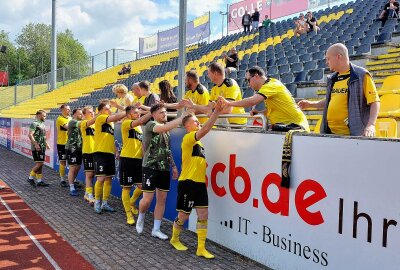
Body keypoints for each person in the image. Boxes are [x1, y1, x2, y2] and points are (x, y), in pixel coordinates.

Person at [169, 103, 223, 259]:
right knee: (183, 215)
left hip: (199, 183)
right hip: (188, 182)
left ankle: (201, 248)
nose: (198, 123)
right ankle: (175, 238)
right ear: (187, 126)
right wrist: (216, 112)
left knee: (203, 214)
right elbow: (205, 129)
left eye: (198, 121)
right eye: (194, 121)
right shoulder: (188, 138)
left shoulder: (199, 143)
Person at [298, 43, 380, 136]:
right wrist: (311, 104)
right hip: (331, 133)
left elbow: (375, 101)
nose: (326, 62)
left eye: (328, 58)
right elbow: (331, 100)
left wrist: (371, 125)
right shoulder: (333, 78)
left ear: (338, 57)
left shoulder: (361, 75)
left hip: (352, 135)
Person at [136, 103, 184, 240]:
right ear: (154, 114)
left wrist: (173, 166)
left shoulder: (166, 130)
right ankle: (141, 217)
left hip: (164, 168)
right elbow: (164, 127)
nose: (165, 115)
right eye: (162, 113)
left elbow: (167, 150)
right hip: (150, 167)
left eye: (165, 112)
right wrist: (181, 118)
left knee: (162, 198)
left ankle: (156, 229)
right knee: (147, 199)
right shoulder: (151, 124)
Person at [218, 66, 310, 131]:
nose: (248, 84)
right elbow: (273, 109)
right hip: (286, 126)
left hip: (295, 126)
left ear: (256, 76)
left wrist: (229, 103)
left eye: (248, 80)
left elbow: (253, 101)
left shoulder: (271, 85)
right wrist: (260, 113)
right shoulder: (268, 87)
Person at [181, 62, 246, 126]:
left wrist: (212, 112)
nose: (208, 76)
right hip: (223, 123)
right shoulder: (214, 88)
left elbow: (227, 110)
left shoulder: (230, 85)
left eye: (209, 73)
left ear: (215, 73)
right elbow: (208, 107)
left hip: (236, 123)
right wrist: (193, 105)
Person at [119, 106, 152, 225]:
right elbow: (142, 120)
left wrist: (144, 158)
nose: (138, 114)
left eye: (138, 113)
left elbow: (141, 145)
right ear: (128, 115)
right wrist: (152, 111)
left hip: (138, 160)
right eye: (135, 113)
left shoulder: (138, 128)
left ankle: (132, 202)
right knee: (126, 188)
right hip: (127, 159)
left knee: (142, 186)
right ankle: (128, 213)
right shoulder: (126, 123)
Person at [93, 100, 126, 214]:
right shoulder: (101, 118)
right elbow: (117, 116)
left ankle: (105, 203)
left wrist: (116, 151)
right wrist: (126, 109)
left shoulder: (110, 123)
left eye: (110, 108)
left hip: (109, 153)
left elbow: (110, 138)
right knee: (101, 179)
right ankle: (97, 202)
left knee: (109, 179)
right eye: (107, 108)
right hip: (100, 152)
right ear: (101, 110)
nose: (109, 110)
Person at [27, 110, 50, 187]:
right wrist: (36, 144)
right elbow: (30, 135)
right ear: (39, 115)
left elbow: (42, 136)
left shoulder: (42, 124)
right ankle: (30, 178)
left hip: (42, 146)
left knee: (40, 164)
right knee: (40, 163)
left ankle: (39, 181)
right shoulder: (34, 124)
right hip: (37, 147)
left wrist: (46, 144)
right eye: (44, 116)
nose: (45, 117)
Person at [65, 108, 84, 196]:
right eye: (80, 114)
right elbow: (82, 124)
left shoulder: (82, 122)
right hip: (72, 147)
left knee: (78, 167)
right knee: (73, 168)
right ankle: (71, 187)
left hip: (80, 148)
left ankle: (72, 182)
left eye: (82, 114)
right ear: (74, 114)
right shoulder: (72, 122)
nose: (81, 115)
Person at [80, 106, 97, 204]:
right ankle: (90, 195)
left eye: (93, 112)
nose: (92, 113)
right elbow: (91, 121)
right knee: (89, 174)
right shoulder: (83, 123)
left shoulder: (96, 125)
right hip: (88, 152)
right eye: (90, 112)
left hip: (96, 152)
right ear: (84, 114)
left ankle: (87, 193)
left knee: (93, 174)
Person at [56, 104, 71, 187]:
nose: (69, 110)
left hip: (70, 144)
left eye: (69, 109)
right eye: (67, 109)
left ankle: (72, 179)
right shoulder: (60, 119)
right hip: (62, 143)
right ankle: (62, 179)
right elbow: (68, 127)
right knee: (63, 161)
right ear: (62, 110)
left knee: (71, 162)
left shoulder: (70, 118)